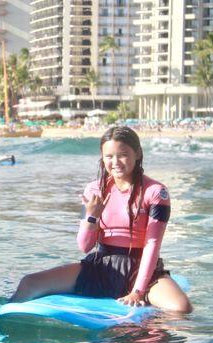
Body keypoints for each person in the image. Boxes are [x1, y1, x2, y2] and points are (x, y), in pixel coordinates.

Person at [10, 126, 192, 313]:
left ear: (137, 153)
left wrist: (138, 291)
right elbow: (85, 247)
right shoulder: (93, 190)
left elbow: (152, 245)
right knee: (29, 283)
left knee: (181, 308)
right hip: (100, 267)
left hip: (140, 268)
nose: (115, 162)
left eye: (123, 155)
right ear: (102, 157)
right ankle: (2, 326)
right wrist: (91, 217)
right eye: (109, 156)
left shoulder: (156, 192)